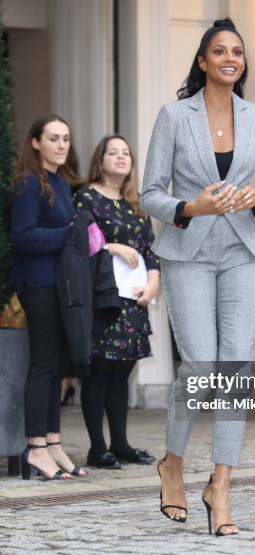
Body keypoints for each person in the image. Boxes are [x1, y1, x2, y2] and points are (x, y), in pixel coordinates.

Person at [141, 18, 255, 535]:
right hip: (188, 254)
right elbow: (150, 193)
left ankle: (220, 487)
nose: (230, 58)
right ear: (203, 61)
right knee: (200, 368)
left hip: (244, 251)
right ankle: (173, 463)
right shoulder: (173, 116)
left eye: (238, 52)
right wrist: (192, 205)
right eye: (219, 51)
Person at [74, 135, 160, 469]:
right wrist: (113, 247)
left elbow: (151, 250)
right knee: (99, 371)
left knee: (122, 373)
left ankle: (120, 443)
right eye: (114, 152)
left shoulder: (135, 202)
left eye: (126, 152)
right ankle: (98, 448)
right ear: (101, 159)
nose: (121, 157)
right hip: (104, 298)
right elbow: (79, 240)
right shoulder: (87, 197)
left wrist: (154, 283)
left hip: (134, 301)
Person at [10, 114, 87, 479]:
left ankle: (53, 442)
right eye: (54, 138)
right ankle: (36, 447)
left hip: (58, 284)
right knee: (43, 365)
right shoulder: (28, 183)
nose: (61, 145)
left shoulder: (60, 183)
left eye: (66, 139)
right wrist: (68, 235)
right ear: (36, 142)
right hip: (37, 284)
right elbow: (23, 236)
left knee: (57, 366)